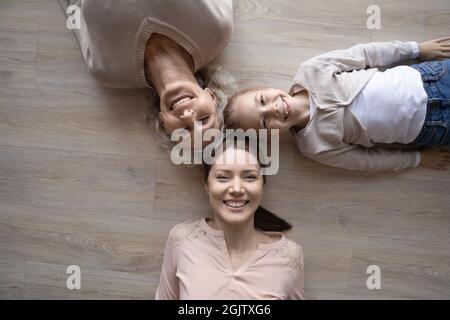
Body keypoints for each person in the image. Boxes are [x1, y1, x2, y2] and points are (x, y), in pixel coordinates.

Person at [224, 38, 450, 172]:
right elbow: (366, 161)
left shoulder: (311, 71)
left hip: (430, 79)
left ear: (262, 88)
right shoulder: (313, 146)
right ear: (270, 136)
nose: (272, 109)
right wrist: (417, 159)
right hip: (432, 127)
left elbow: (365, 54)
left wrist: (416, 49)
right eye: (264, 121)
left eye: (262, 100)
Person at [59, 0, 236, 147]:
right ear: (213, 97)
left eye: (184, 131)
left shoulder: (106, 70)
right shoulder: (216, 29)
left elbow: (73, 7)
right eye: (204, 119)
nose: (188, 116)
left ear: (165, 124)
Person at [155, 141, 305, 299]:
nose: (237, 189)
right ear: (206, 185)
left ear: (263, 185)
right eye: (223, 177)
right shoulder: (181, 241)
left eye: (249, 177)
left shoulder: (290, 257)